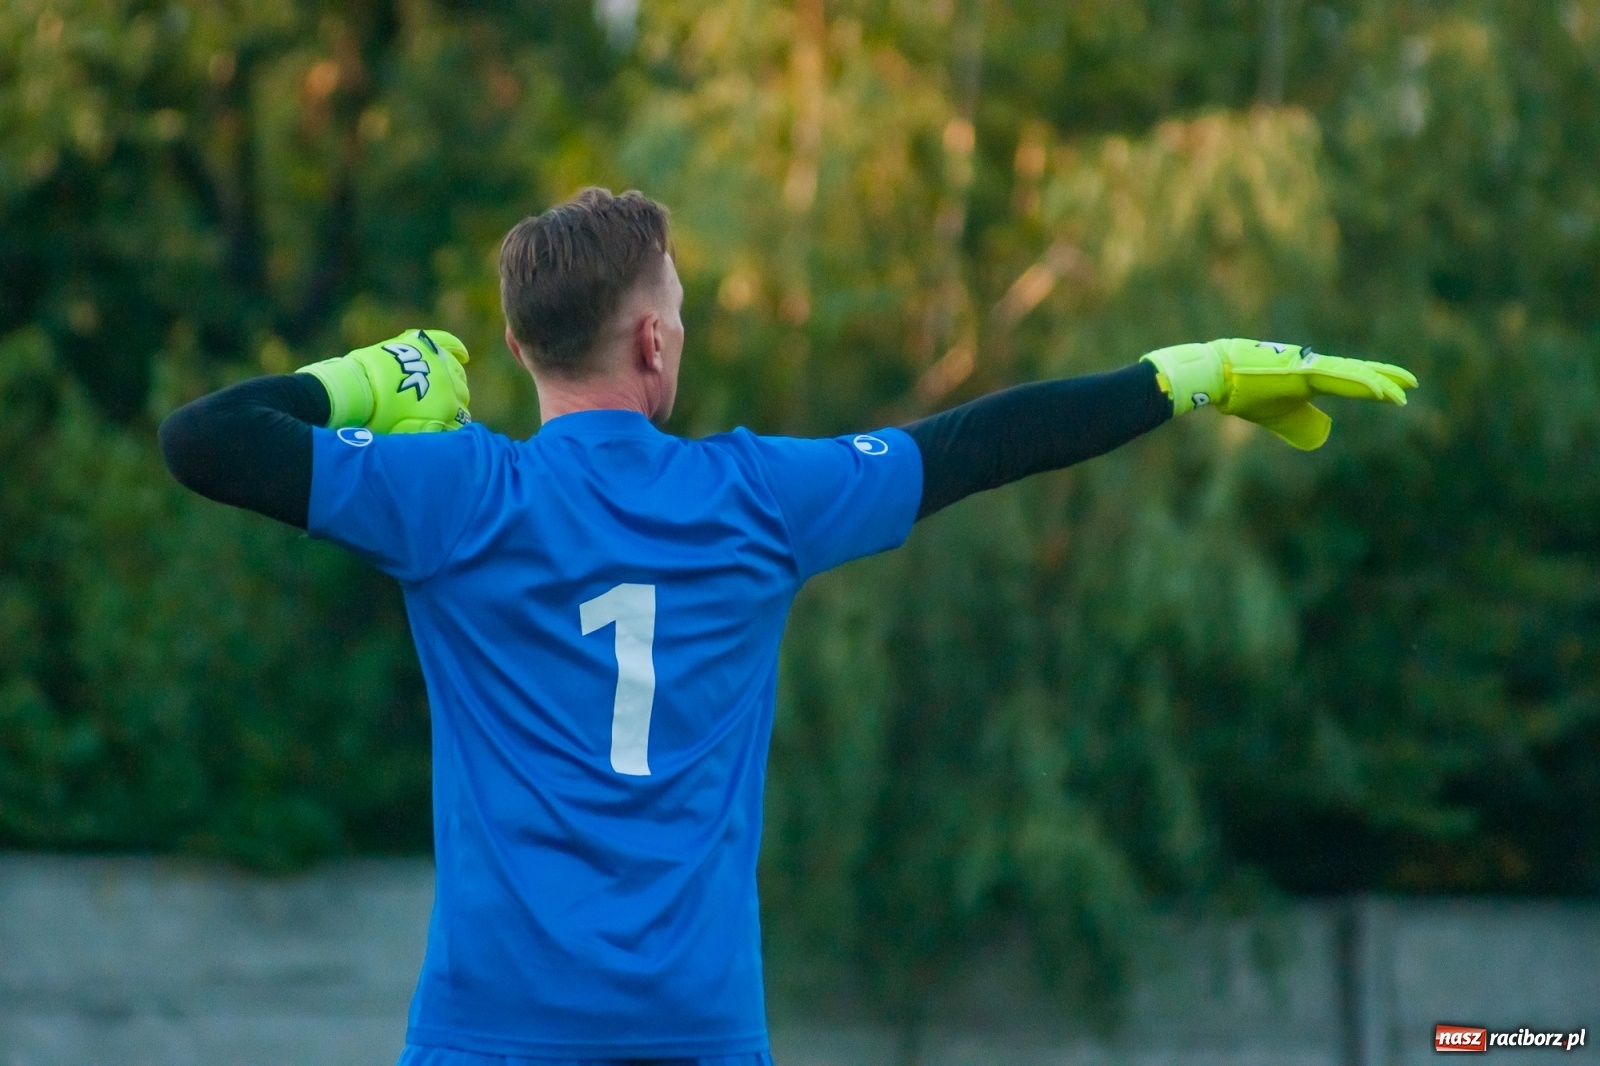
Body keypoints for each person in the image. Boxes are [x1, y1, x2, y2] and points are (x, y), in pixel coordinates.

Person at [159, 187, 1416, 1066]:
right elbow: (981, 443)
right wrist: (1182, 375)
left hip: (493, 1026)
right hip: (694, 1026)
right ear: (652, 340)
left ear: (521, 342)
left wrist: (372, 381)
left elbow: (206, 439)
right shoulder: (756, 499)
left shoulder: (454, 497)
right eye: (683, 309)